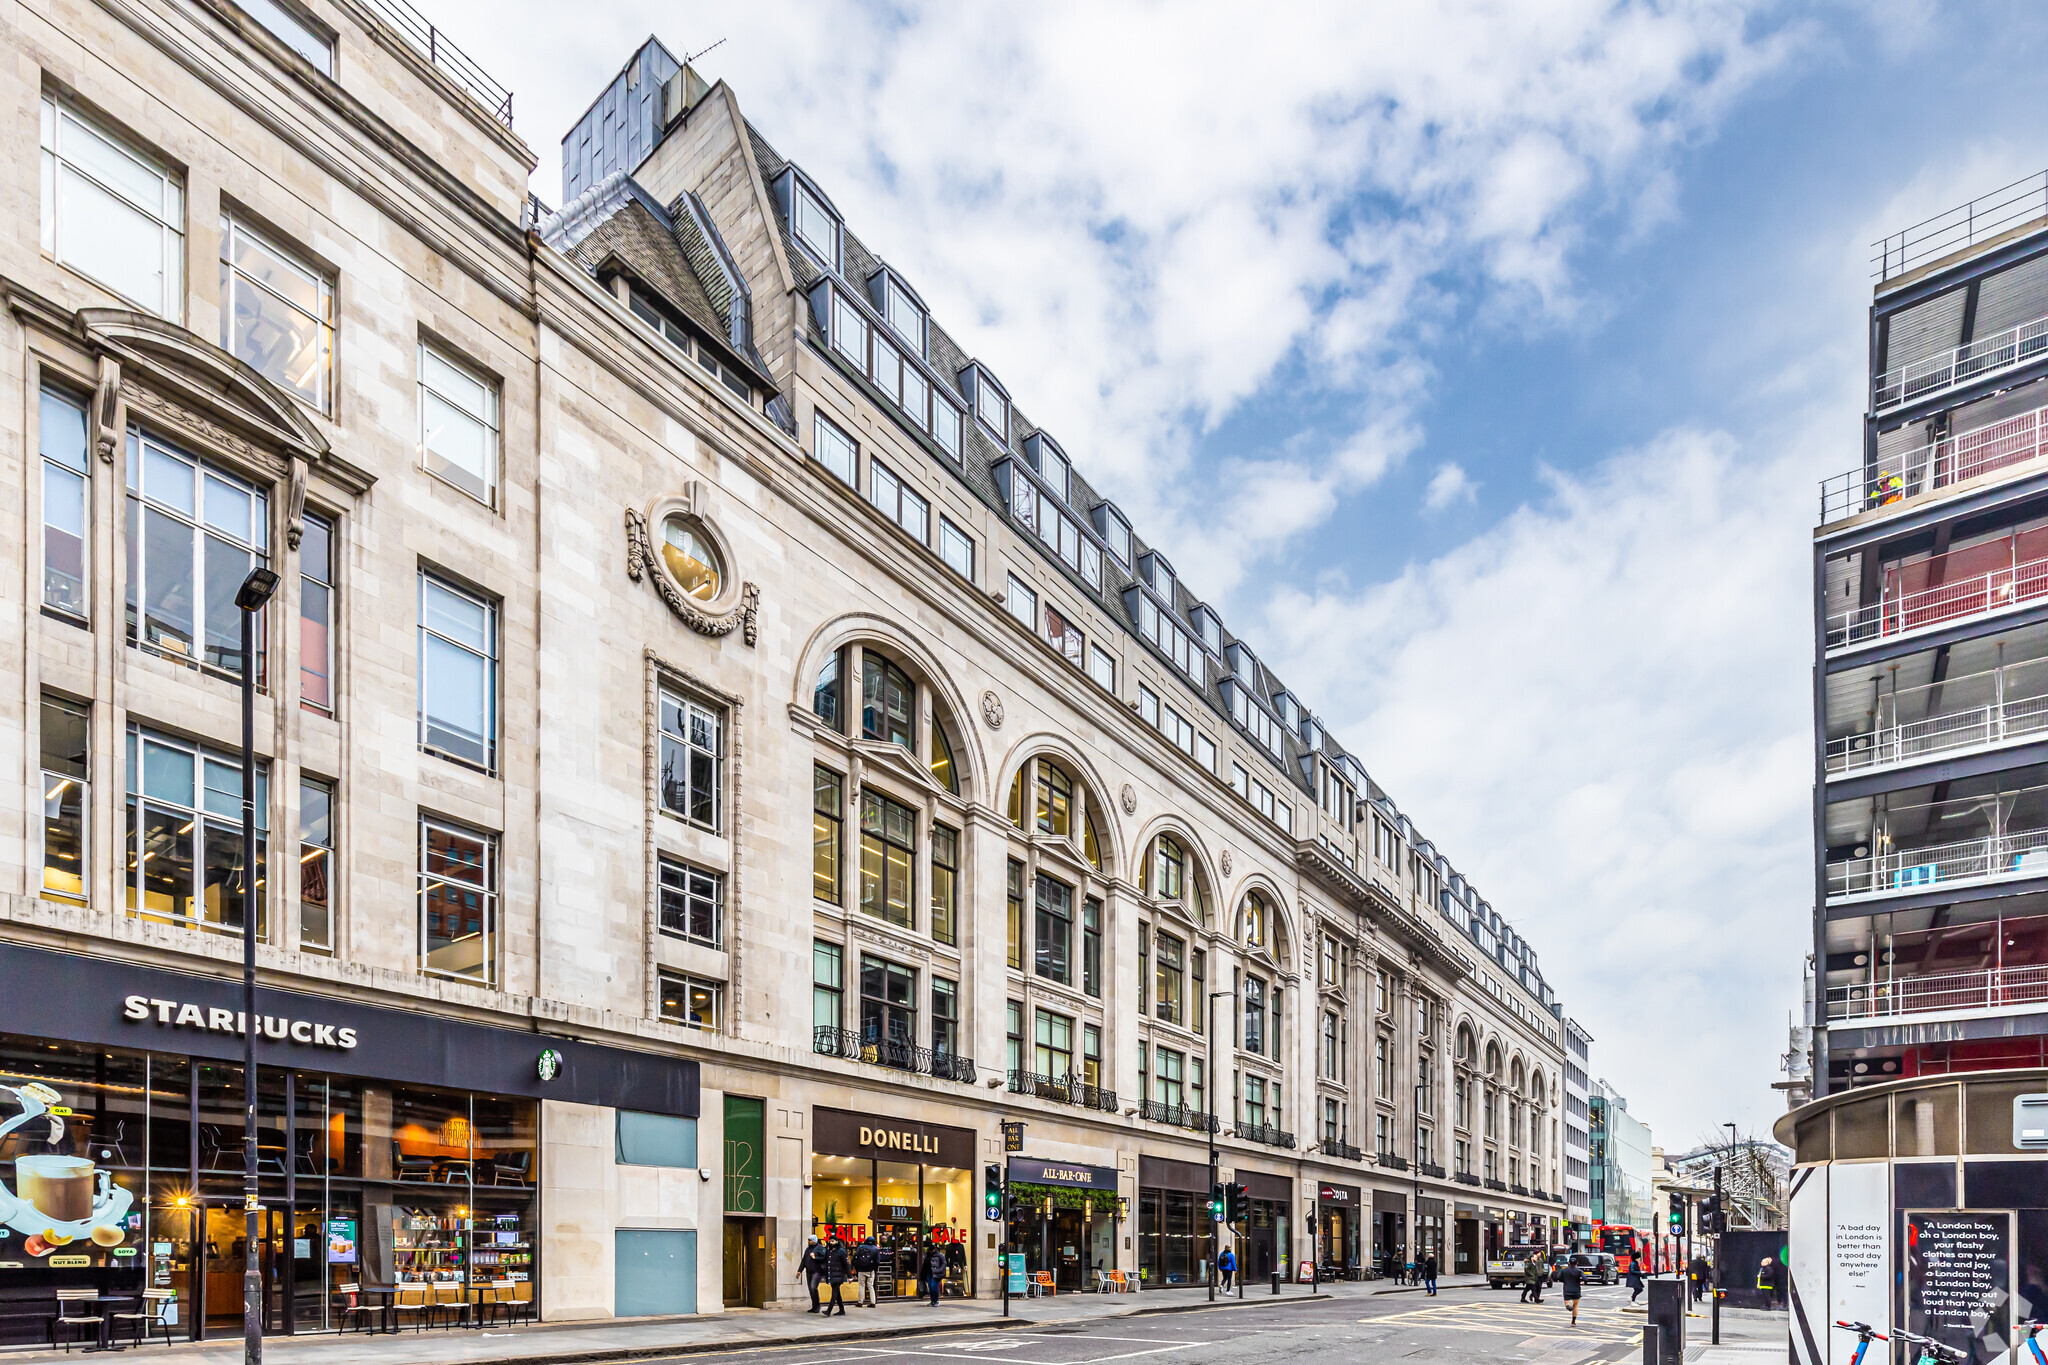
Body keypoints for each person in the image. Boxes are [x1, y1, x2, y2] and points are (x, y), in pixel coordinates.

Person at [800, 1237, 827, 1313]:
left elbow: (825, 1258)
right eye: (808, 1240)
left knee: (813, 1287)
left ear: (814, 1241)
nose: (808, 1241)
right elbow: (804, 1260)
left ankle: (817, 1306)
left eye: (810, 1240)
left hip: (817, 1271)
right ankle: (814, 1306)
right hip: (809, 1271)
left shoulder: (820, 1248)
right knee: (811, 1289)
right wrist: (800, 1270)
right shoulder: (808, 1249)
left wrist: (815, 1257)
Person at [1555, 1257, 1585, 1327]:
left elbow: (1557, 1277)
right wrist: (1581, 1281)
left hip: (1567, 1290)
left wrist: (1564, 1280)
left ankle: (1568, 1306)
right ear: (1576, 1263)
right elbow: (1585, 1278)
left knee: (1567, 1303)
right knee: (1575, 1306)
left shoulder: (1564, 1271)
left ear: (1568, 1263)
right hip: (1576, 1290)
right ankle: (1573, 1322)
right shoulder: (1579, 1271)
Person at [824, 1238, 850, 1316]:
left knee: (834, 1293)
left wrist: (850, 1276)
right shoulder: (829, 1251)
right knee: (837, 1293)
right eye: (830, 1241)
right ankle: (842, 1310)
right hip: (832, 1275)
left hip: (838, 1275)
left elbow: (846, 1264)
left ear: (837, 1242)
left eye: (833, 1241)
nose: (831, 1242)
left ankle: (829, 1310)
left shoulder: (841, 1251)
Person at [853, 1236, 878, 1307]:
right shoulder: (875, 1249)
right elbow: (877, 1261)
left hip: (861, 1269)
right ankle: (873, 1302)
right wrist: (875, 1269)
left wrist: (856, 1267)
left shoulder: (860, 1247)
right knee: (870, 1285)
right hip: (871, 1270)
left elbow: (855, 1257)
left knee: (861, 1285)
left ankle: (860, 1302)